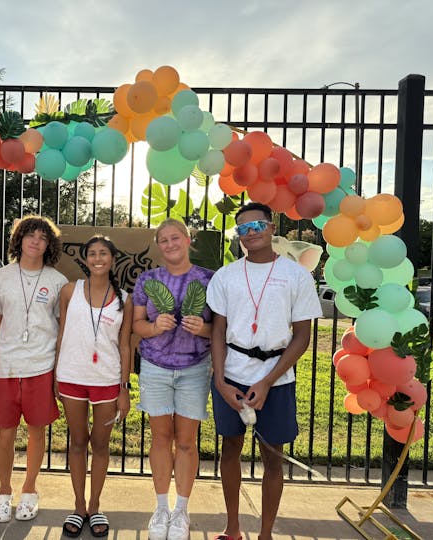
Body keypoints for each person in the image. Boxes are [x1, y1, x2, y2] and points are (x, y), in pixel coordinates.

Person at [206, 202, 322, 540]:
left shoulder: (296, 275)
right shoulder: (225, 276)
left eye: (257, 225)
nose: (251, 232)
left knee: (273, 457)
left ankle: (266, 533)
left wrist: (268, 381)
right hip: (232, 375)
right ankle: (232, 528)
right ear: (238, 237)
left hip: (277, 379)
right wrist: (220, 379)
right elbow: (217, 331)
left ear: (272, 228)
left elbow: (302, 336)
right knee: (230, 448)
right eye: (243, 228)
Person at [0, 215, 68, 523]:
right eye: (29, 235)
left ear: (49, 245)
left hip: (41, 366)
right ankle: (3, 491)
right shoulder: (0, 277)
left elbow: (60, 323)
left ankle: (29, 490)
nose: (35, 241)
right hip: (8, 367)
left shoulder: (57, 281)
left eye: (42, 237)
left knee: (36, 432)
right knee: (5, 433)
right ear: (19, 240)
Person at [131, 218, 214, 540]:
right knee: (161, 439)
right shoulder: (148, 279)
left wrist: (202, 328)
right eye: (163, 240)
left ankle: (182, 511)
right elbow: (137, 324)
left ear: (188, 239)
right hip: (155, 367)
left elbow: (220, 328)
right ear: (158, 245)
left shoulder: (208, 279)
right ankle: (161, 508)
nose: (169, 244)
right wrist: (154, 327)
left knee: (186, 441)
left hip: (194, 368)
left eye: (175, 238)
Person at [55, 235, 134, 538]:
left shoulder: (125, 299)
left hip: (106, 380)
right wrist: (55, 375)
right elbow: (61, 334)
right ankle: (78, 507)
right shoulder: (69, 291)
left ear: (113, 259)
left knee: (100, 445)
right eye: (92, 254)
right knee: (77, 442)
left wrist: (124, 388)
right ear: (85, 259)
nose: (97, 258)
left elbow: (126, 346)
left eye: (103, 253)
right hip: (72, 376)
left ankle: (95, 504)